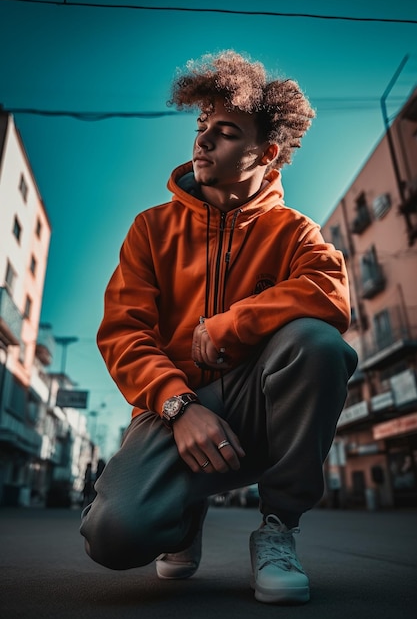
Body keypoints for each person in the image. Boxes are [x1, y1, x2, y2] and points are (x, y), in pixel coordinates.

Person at [80, 50, 358, 604]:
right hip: (175, 412)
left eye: (225, 131)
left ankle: (279, 527)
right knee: (111, 535)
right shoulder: (151, 229)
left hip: (260, 406)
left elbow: (330, 292)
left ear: (267, 151)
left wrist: (233, 324)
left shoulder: (295, 231)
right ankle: (183, 516)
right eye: (202, 127)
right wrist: (180, 406)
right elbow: (123, 334)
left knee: (318, 344)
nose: (203, 141)